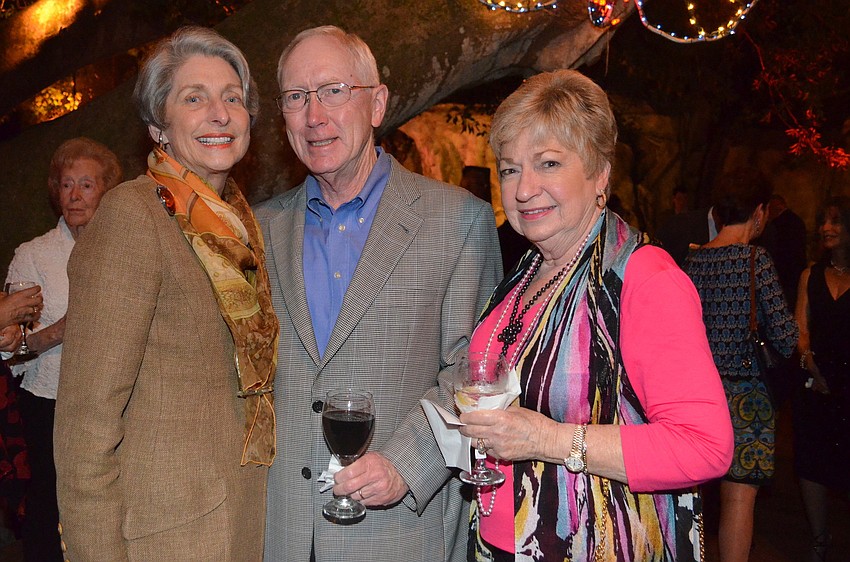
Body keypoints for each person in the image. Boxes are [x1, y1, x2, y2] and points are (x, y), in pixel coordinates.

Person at [456, 69, 733, 561]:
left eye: (548, 163)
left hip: (598, 544)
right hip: (501, 541)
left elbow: (705, 446)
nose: (523, 190)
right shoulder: (525, 271)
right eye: (510, 169)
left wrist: (551, 439)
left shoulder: (641, 277)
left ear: (600, 173)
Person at [257, 25, 502, 562]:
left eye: (333, 91)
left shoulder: (458, 220)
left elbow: (474, 368)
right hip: (284, 533)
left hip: (398, 533)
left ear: (377, 104)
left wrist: (408, 465)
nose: (314, 115)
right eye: (296, 98)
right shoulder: (259, 228)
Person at [53, 26, 278, 560]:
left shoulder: (242, 224)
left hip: (241, 518)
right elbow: (86, 421)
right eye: (193, 98)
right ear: (159, 126)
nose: (219, 114)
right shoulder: (133, 218)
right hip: (163, 535)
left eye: (232, 98)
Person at [3, 136, 121, 561]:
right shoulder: (33, 255)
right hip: (48, 403)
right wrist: (63, 330)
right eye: (67, 184)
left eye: (87, 185)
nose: (74, 195)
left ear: (106, 190)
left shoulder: (123, 251)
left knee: (109, 510)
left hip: (116, 401)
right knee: (49, 512)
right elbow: (11, 349)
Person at [684, 169, 798, 562]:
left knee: (693, 499)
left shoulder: (692, 260)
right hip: (747, 399)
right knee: (738, 500)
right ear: (759, 213)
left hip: (695, 396)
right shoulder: (756, 260)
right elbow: (785, 337)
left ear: (717, 211)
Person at [794, 196, 850, 562]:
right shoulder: (809, 275)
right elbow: (800, 329)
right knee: (811, 463)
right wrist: (811, 364)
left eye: (835, 221)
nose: (826, 228)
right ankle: (819, 539)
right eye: (823, 221)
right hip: (816, 385)